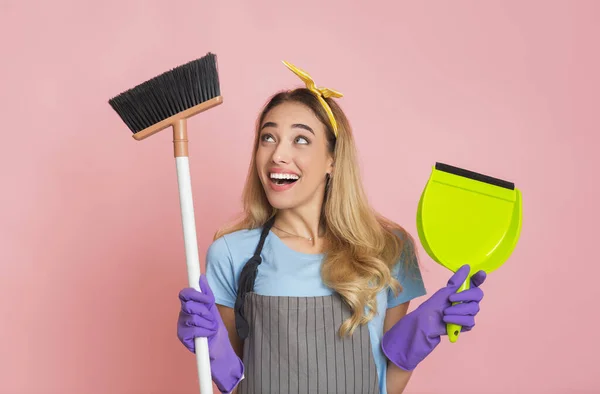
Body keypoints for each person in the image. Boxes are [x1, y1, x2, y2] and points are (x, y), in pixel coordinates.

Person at [176, 61, 486, 394]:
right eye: (268, 137)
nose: (278, 154)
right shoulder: (231, 254)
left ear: (332, 161)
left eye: (301, 140)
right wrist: (215, 353)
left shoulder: (388, 250)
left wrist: (421, 334)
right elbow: (238, 386)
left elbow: (383, 387)